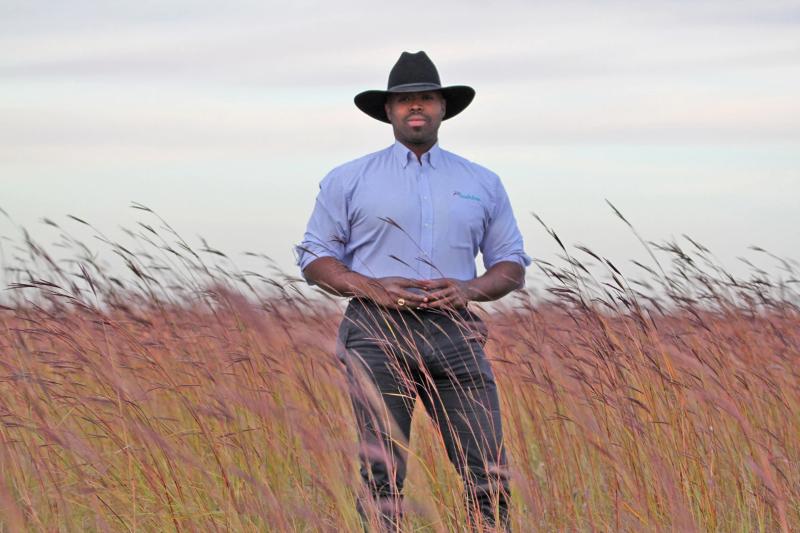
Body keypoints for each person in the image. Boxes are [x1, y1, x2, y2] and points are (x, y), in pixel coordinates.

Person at [295, 51, 531, 532]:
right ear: (388, 111)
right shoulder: (349, 179)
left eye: (425, 98)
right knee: (381, 470)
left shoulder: (481, 182)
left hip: (455, 333)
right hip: (375, 331)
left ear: (443, 107)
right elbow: (314, 258)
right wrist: (371, 287)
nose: (415, 108)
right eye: (405, 101)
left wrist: (470, 289)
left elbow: (511, 265)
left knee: (488, 469)